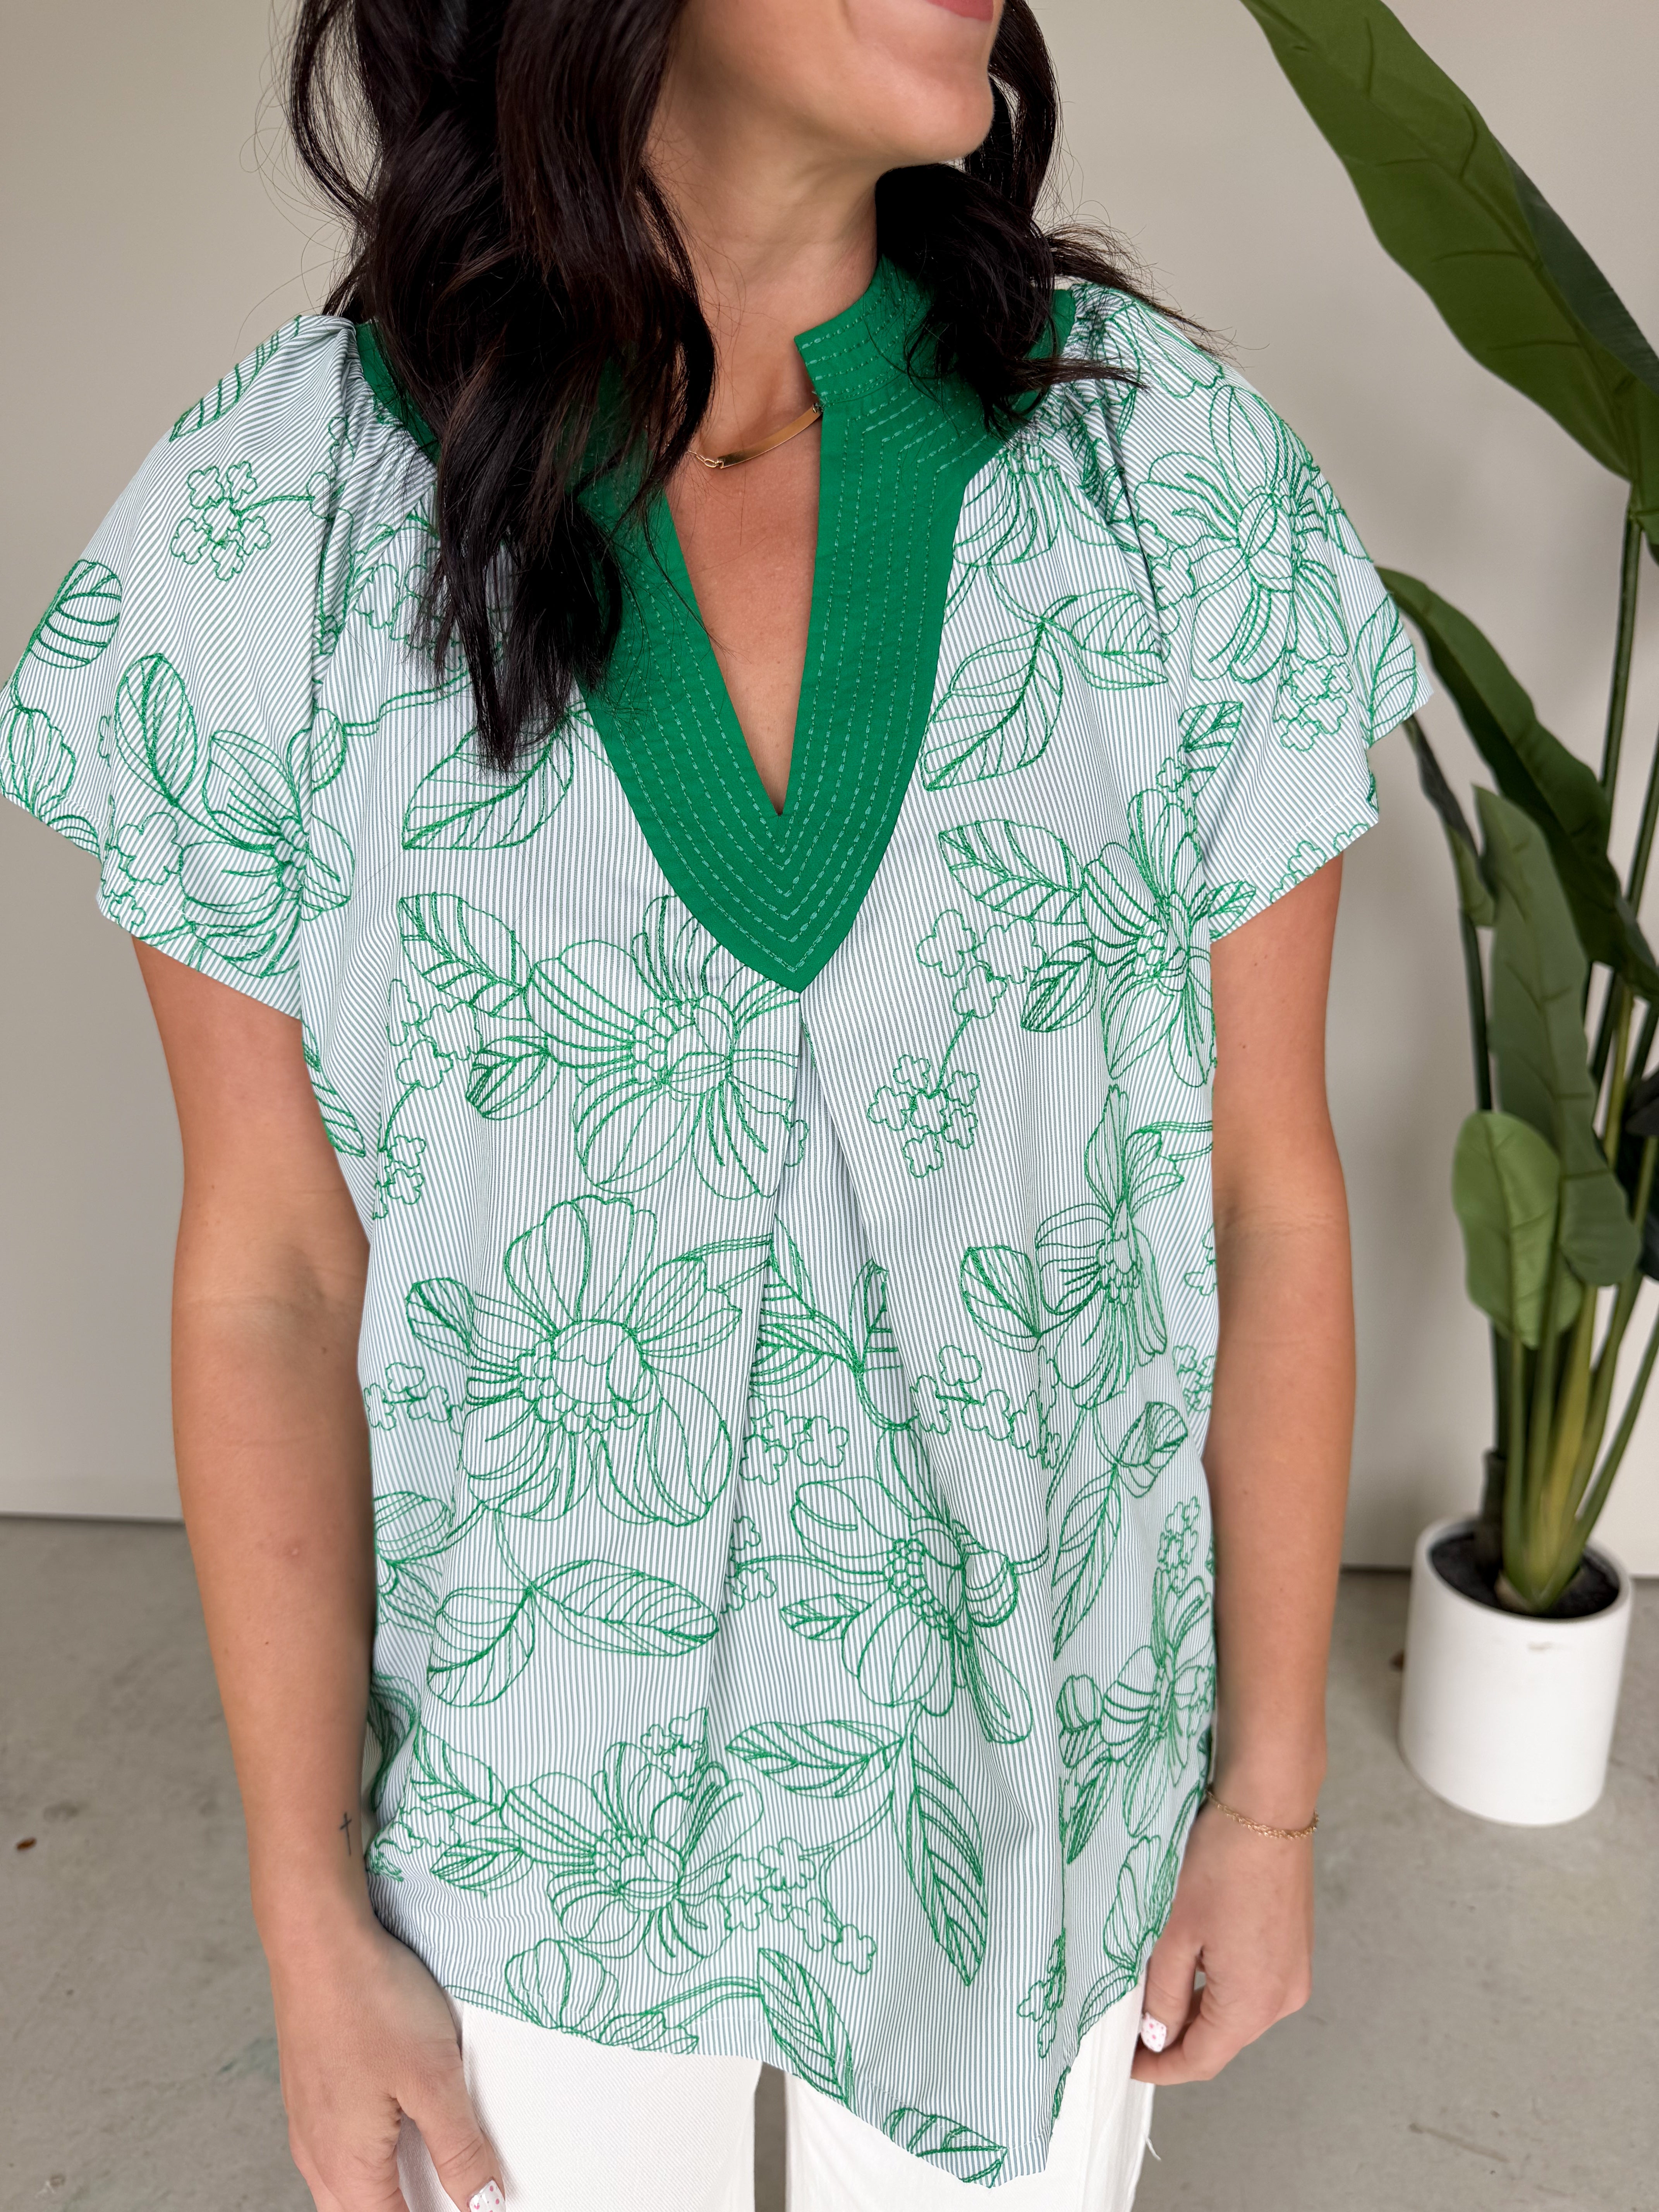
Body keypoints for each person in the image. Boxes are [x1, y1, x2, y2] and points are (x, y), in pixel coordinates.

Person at [2, 1, 1429, 2205]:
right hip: (519, 1856)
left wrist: (1265, 1801)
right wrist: (304, 1905)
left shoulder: (1171, 494)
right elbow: (270, 1274)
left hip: (1029, 1825)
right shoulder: (270, 535)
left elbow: (1271, 1201)